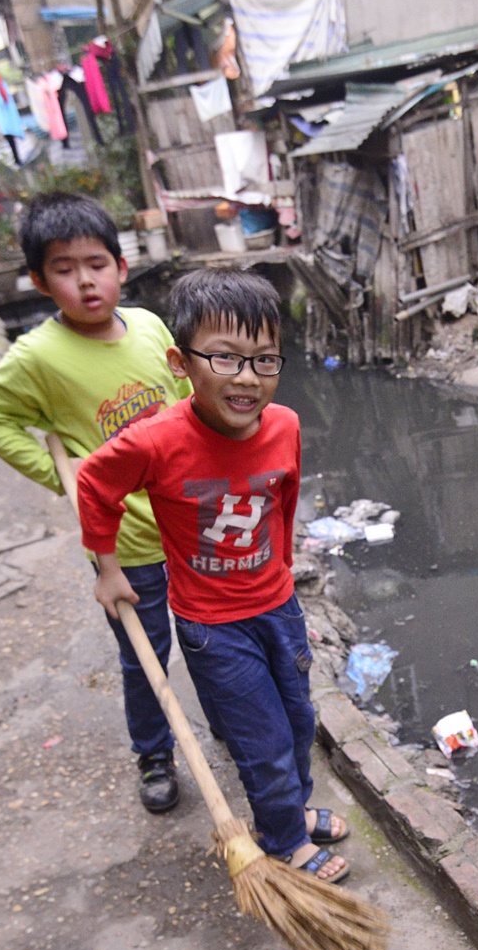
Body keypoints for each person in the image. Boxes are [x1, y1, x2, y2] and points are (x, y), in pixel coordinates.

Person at [76, 268, 352, 881]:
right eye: (224, 358)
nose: (247, 378)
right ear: (180, 363)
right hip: (214, 627)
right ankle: (283, 839)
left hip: (278, 607)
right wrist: (107, 568)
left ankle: (293, 811)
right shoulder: (155, 442)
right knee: (262, 741)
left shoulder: (286, 424)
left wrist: (283, 567)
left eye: (264, 360)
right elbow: (94, 484)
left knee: (298, 721)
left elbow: (284, 498)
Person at [0, 193, 193, 813]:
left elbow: (187, 402)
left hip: (188, 521)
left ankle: (226, 722)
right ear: (39, 282)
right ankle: (154, 753)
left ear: (122, 266)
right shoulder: (37, 357)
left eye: (97, 264)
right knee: (144, 654)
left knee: (210, 637)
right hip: (126, 542)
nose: (86, 281)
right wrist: (62, 476)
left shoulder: (149, 327)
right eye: (64, 269)